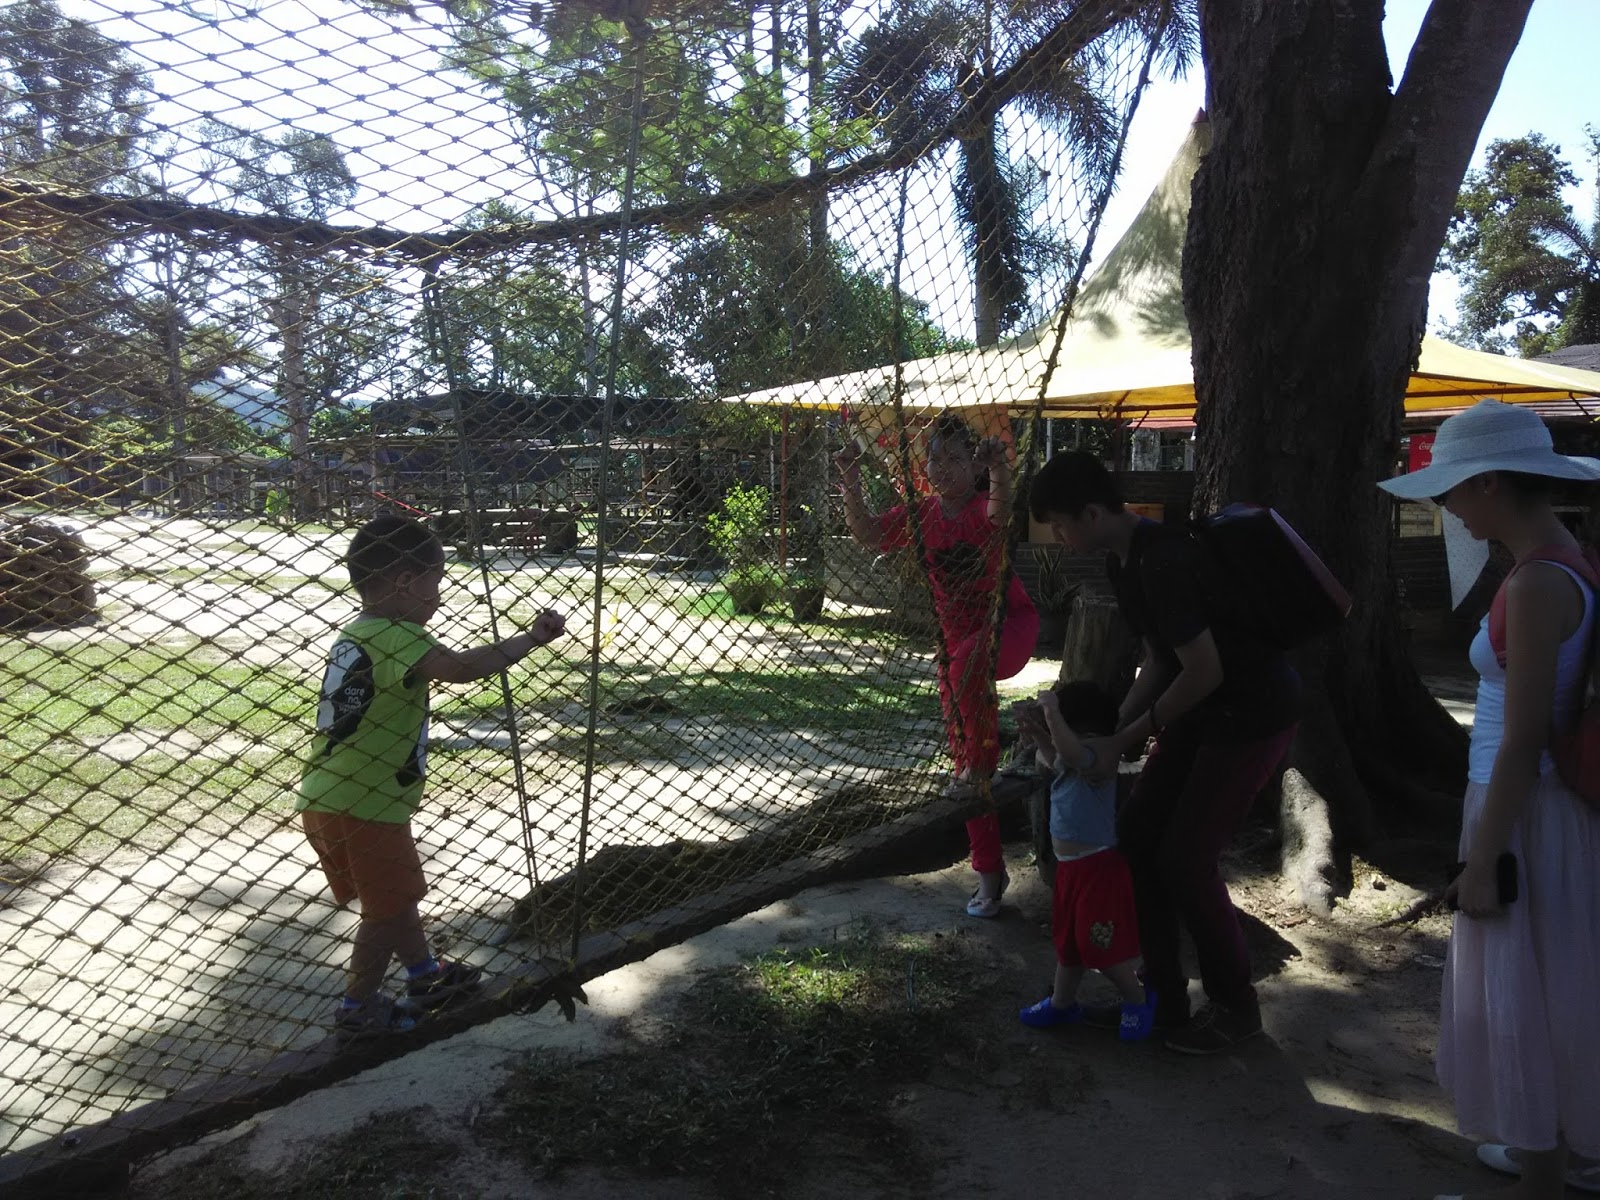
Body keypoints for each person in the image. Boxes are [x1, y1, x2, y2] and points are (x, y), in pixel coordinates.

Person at [1375, 399, 1600, 1200]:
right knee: (1551, 985)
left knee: (1528, 991)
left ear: (1492, 484)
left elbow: (1524, 736)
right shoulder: (1561, 560)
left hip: (1527, 811)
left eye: (1453, 490)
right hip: (1536, 807)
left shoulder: (1538, 581)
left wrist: (1484, 856)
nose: (1446, 507)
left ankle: (1543, 1167)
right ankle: (1550, 1152)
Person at [1026, 452, 1299, 1054]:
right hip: (1199, 714)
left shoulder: (1166, 558)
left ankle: (1236, 1008)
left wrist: (1128, 737)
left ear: (1092, 513)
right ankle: (1162, 997)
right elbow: (1159, 658)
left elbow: (1204, 669)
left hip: (1249, 717)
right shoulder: (1124, 563)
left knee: (1185, 860)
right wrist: (1116, 728)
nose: (1061, 540)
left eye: (1063, 526)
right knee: (1137, 840)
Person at [298, 514, 567, 1037]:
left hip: (329, 797)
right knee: (386, 910)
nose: (439, 596)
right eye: (436, 583)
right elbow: (462, 669)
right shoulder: (397, 635)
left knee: (394, 899)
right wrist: (529, 640)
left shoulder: (354, 632)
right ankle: (358, 1008)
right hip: (364, 804)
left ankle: (425, 974)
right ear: (405, 583)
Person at [838, 415, 1040, 918]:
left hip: (1006, 630)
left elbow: (1000, 515)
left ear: (973, 464)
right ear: (923, 466)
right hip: (958, 654)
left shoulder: (981, 508)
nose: (942, 467)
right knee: (965, 759)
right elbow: (865, 533)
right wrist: (850, 478)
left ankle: (982, 764)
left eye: (955, 458)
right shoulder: (921, 514)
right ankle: (989, 879)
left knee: (968, 703)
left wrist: (999, 472)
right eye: (935, 458)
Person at [1014, 681, 1156, 1041]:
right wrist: (1038, 733)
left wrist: (1051, 712)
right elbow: (1059, 759)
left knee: (1098, 946)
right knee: (1070, 943)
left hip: (1097, 870)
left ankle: (1138, 999)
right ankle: (1062, 1003)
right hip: (1072, 869)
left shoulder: (1098, 752)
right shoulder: (1073, 751)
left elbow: (1074, 755)